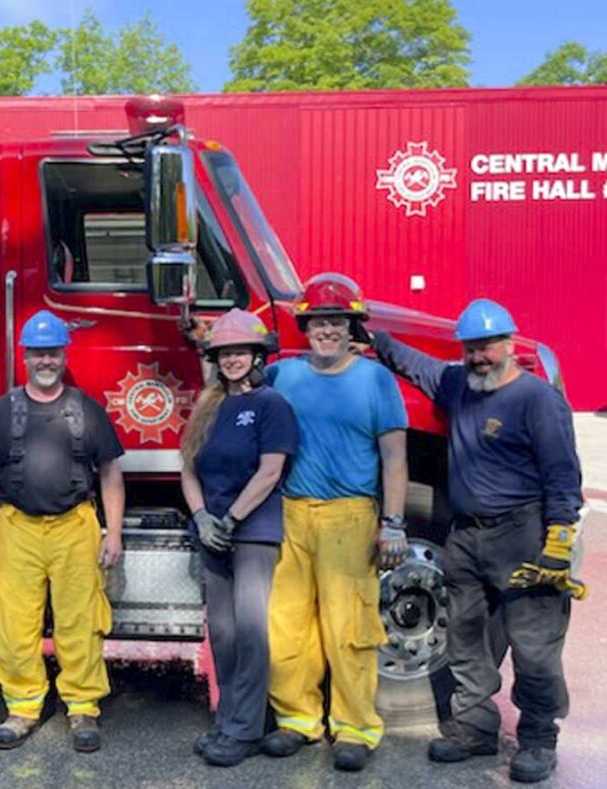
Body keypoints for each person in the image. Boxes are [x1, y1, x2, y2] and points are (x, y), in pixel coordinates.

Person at [371, 298, 584, 784]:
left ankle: (537, 740)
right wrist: (377, 341)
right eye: (470, 348)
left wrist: (559, 540)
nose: (478, 356)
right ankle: (474, 729)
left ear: (509, 345)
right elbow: (417, 365)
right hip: (466, 535)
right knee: (467, 639)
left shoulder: (536, 400)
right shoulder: (459, 387)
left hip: (523, 535)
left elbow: (562, 475)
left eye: (487, 346)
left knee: (534, 646)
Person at [262, 273, 409, 772]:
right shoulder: (284, 375)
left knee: (349, 627)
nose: (326, 329)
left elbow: (394, 457)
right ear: (304, 326)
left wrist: (393, 522)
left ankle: (355, 727)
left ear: (354, 328)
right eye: (318, 321)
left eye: (336, 321)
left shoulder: (375, 380)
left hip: (351, 514)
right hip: (291, 511)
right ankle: (298, 720)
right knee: (288, 624)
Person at [0, 309, 125, 753]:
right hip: (17, 527)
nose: (45, 361)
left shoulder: (85, 409)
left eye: (52, 352)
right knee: (13, 623)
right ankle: (22, 707)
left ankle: (83, 709)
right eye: (37, 353)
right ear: (26, 357)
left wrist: (113, 532)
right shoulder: (1, 411)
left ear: (63, 353)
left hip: (75, 526)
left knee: (81, 621)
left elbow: (110, 471)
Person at [180, 309, 298, 767]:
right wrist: (202, 517)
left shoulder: (272, 405)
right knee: (223, 633)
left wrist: (230, 517)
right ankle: (232, 718)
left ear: (257, 356)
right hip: (213, 532)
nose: (232, 359)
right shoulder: (208, 405)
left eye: (240, 351)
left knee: (250, 630)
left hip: (253, 532)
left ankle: (245, 730)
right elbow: (188, 467)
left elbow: (271, 471)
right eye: (224, 352)